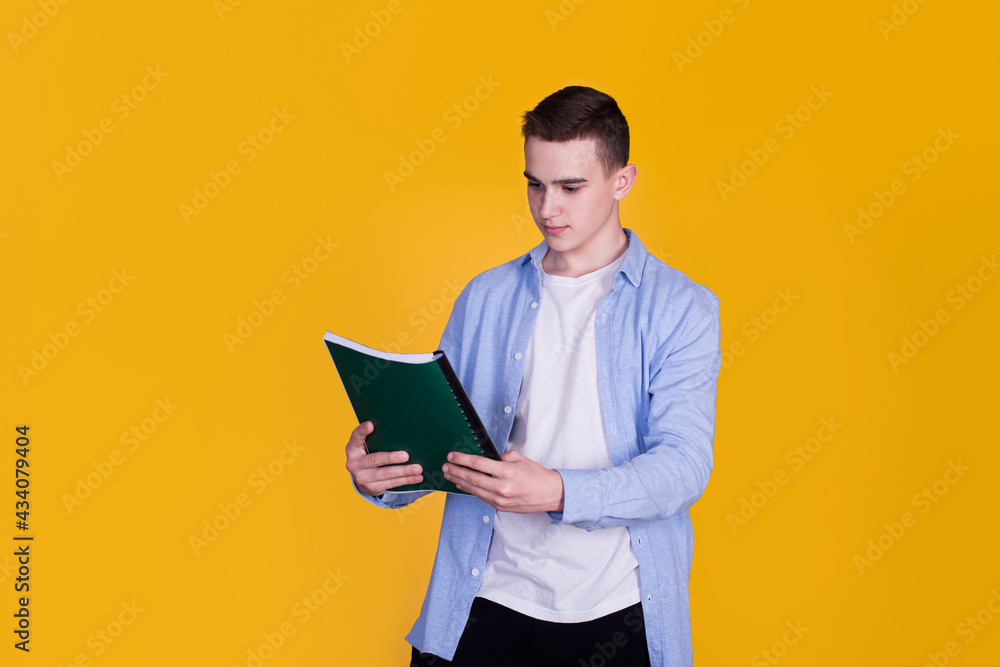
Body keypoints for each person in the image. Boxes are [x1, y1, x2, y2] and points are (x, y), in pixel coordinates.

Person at [345, 85, 721, 667]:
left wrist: (560, 492)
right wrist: (385, 475)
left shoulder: (681, 307)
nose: (548, 208)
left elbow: (684, 466)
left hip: (618, 613)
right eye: (535, 184)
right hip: (482, 599)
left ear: (622, 181)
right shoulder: (485, 297)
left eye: (571, 187)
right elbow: (449, 442)